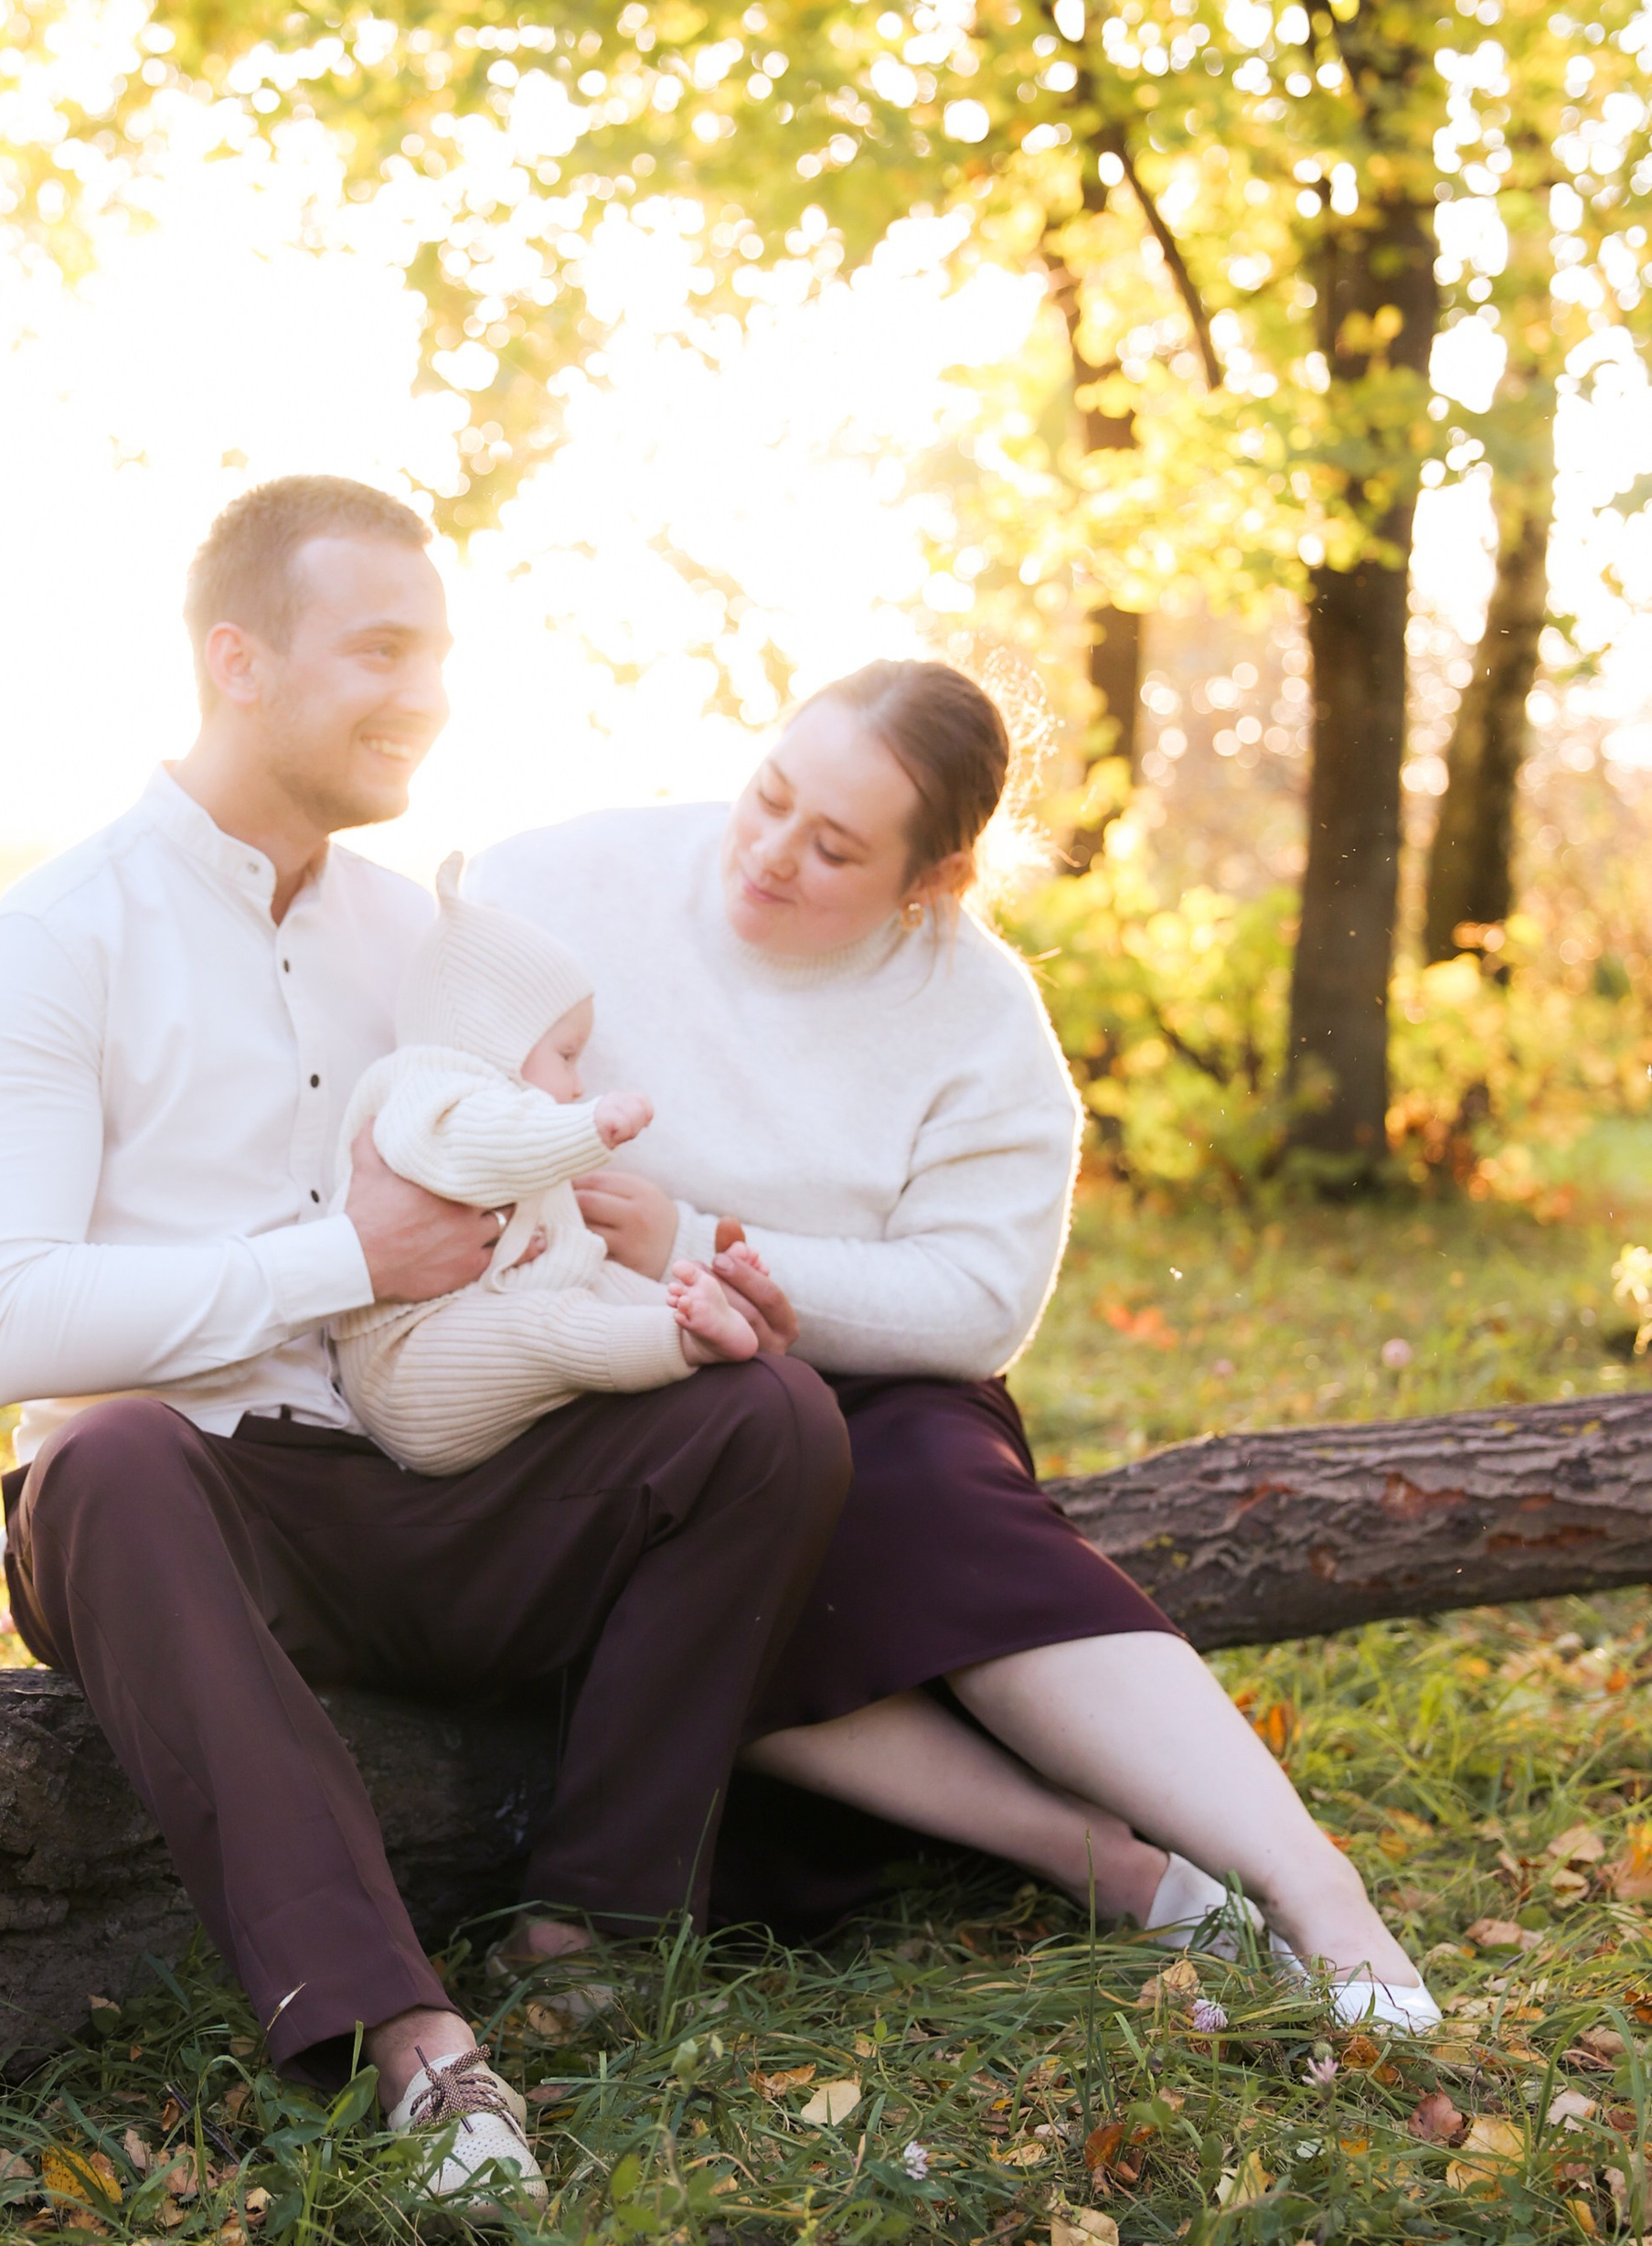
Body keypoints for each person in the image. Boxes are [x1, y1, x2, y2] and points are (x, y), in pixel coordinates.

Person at [0, 476, 854, 2217]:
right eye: (378, 650)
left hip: (439, 1470)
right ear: (239, 662)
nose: (422, 692)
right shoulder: (62, 937)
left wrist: (680, 1299)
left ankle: (594, 1930)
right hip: (197, 1512)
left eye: (434, 653)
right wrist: (335, 1257)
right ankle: (407, 2038)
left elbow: (535, 1198)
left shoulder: (427, 940)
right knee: (104, 1453)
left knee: (769, 1422)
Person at [474, 658, 1438, 2034]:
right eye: (771, 798)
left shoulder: (980, 1017)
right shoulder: (563, 882)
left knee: (932, 1515)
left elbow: (981, 1298)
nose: (770, 854)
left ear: (933, 878)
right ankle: (1099, 1859)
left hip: (875, 1389)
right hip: (598, 1360)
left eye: (836, 847)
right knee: (683, 1558)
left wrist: (706, 1245)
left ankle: (1318, 1890)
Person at [330, 852, 764, 1477]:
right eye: (565, 1055)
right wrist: (587, 1127)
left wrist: (673, 1289)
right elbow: (477, 1150)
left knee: (600, 1279)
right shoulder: (427, 1088)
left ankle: (698, 1311)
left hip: (493, 1315)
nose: (577, 1082)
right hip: (414, 1368)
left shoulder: (509, 1111)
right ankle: (684, 1342)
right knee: (554, 1325)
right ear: (494, 1038)